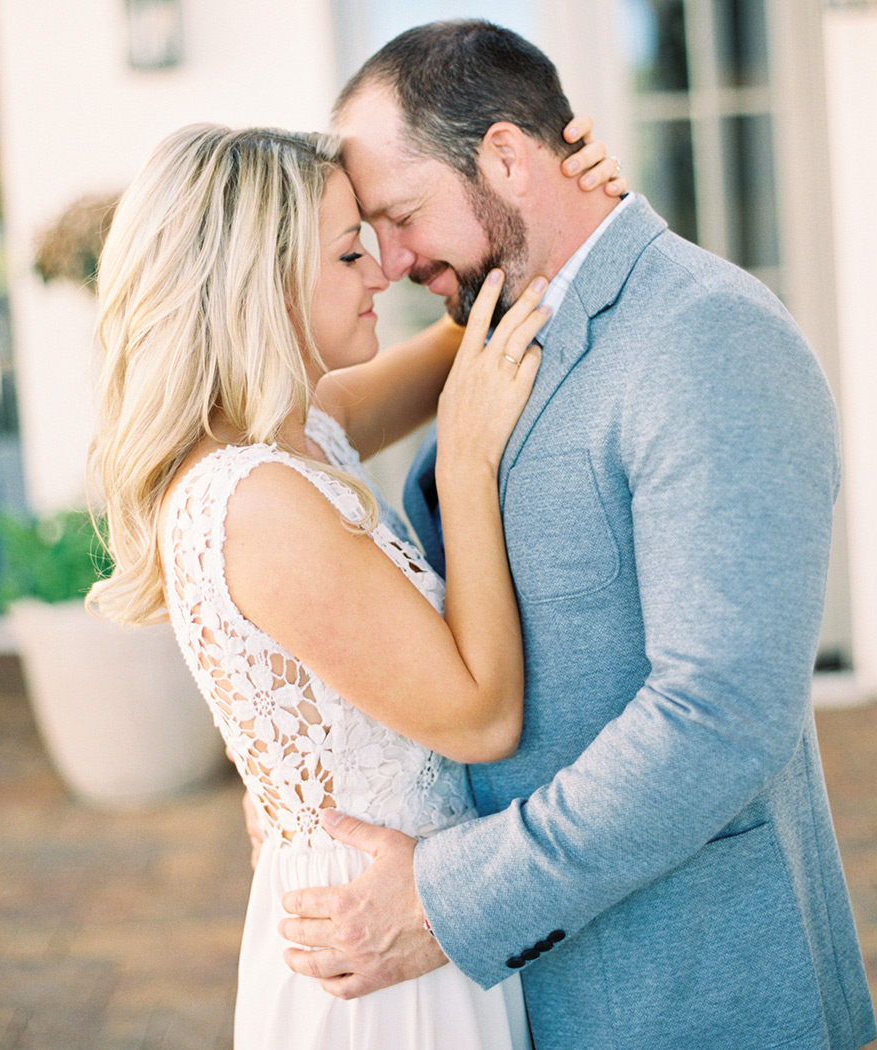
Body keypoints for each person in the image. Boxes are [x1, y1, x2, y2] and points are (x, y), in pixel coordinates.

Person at [277, 20, 877, 1050]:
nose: (395, 259)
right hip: (525, 996)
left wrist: (444, 902)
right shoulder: (500, 319)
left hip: (681, 988)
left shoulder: (707, 339)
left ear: (507, 156)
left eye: (402, 216)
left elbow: (719, 716)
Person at [86, 120, 623, 1049]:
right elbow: (482, 715)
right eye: (349, 252)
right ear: (260, 283)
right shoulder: (256, 500)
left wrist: (569, 209)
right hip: (377, 963)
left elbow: (481, 335)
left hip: (404, 909)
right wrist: (465, 464)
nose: (382, 272)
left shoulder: (298, 432)